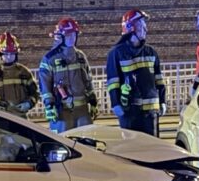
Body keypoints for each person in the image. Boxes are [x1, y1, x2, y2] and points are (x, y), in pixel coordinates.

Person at [105, 9, 166, 137]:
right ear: (130, 27)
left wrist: (162, 100)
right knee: (132, 150)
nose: (146, 29)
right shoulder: (116, 53)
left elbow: (159, 80)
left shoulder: (151, 52)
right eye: (141, 25)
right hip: (129, 112)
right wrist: (116, 103)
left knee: (154, 151)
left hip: (151, 112)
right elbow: (113, 82)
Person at [37, 17, 98, 132]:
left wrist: (93, 100)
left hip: (83, 109)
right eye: (69, 36)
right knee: (63, 143)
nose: (72, 39)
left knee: (87, 140)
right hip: (62, 111)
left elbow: (88, 80)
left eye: (74, 35)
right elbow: (45, 86)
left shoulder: (80, 56)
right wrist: (49, 106)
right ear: (61, 37)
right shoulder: (49, 59)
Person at [0, 31, 39, 118]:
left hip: (21, 119)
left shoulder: (24, 72)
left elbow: (35, 93)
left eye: (12, 54)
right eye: (6, 54)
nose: (9, 57)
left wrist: (29, 103)